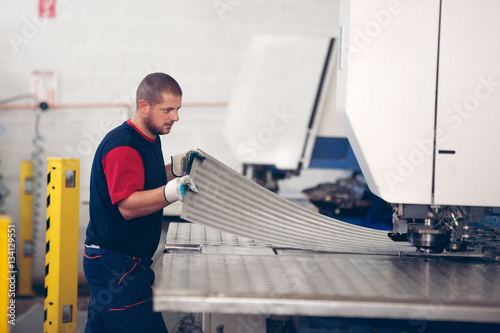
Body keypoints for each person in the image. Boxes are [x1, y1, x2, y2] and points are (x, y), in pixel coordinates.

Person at [83, 73, 204, 333]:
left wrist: (180, 168)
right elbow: (128, 206)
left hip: (119, 261)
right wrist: (173, 191)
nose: (176, 117)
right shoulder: (123, 145)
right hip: (115, 265)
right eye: (167, 110)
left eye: (178, 109)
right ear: (144, 106)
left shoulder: (148, 137)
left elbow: (145, 177)